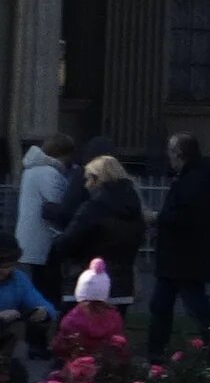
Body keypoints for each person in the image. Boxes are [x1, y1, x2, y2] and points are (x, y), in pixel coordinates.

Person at [147, 133, 210, 361]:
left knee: (190, 304)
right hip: (184, 254)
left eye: (171, 152)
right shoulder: (196, 177)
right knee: (168, 303)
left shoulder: (192, 180)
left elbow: (182, 216)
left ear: (179, 154)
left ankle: (204, 347)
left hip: (183, 255)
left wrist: (156, 218)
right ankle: (158, 350)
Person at [46, 156, 147, 307]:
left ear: (96, 179)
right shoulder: (134, 208)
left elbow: (69, 241)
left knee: (74, 328)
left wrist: (58, 242)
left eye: (88, 179)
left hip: (87, 282)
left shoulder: (93, 207)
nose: (86, 185)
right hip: (121, 285)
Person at [13, 133, 75, 291]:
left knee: (35, 282)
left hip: (30, 235)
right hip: (45, 236)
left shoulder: (31, 170)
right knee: (47, 285)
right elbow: (57, 203)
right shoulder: (50, 173)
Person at [51, 259, 126, 360]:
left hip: (77, 365)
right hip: (107, 366)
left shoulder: (72, 319)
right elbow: (120, 344)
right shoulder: (115, 317)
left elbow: (60, 346)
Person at [0, 235, 55, 369]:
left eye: (10, 265)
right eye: (2, 266)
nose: (6, 271)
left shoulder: (19, 279)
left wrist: (43, 312)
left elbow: (43, 304)